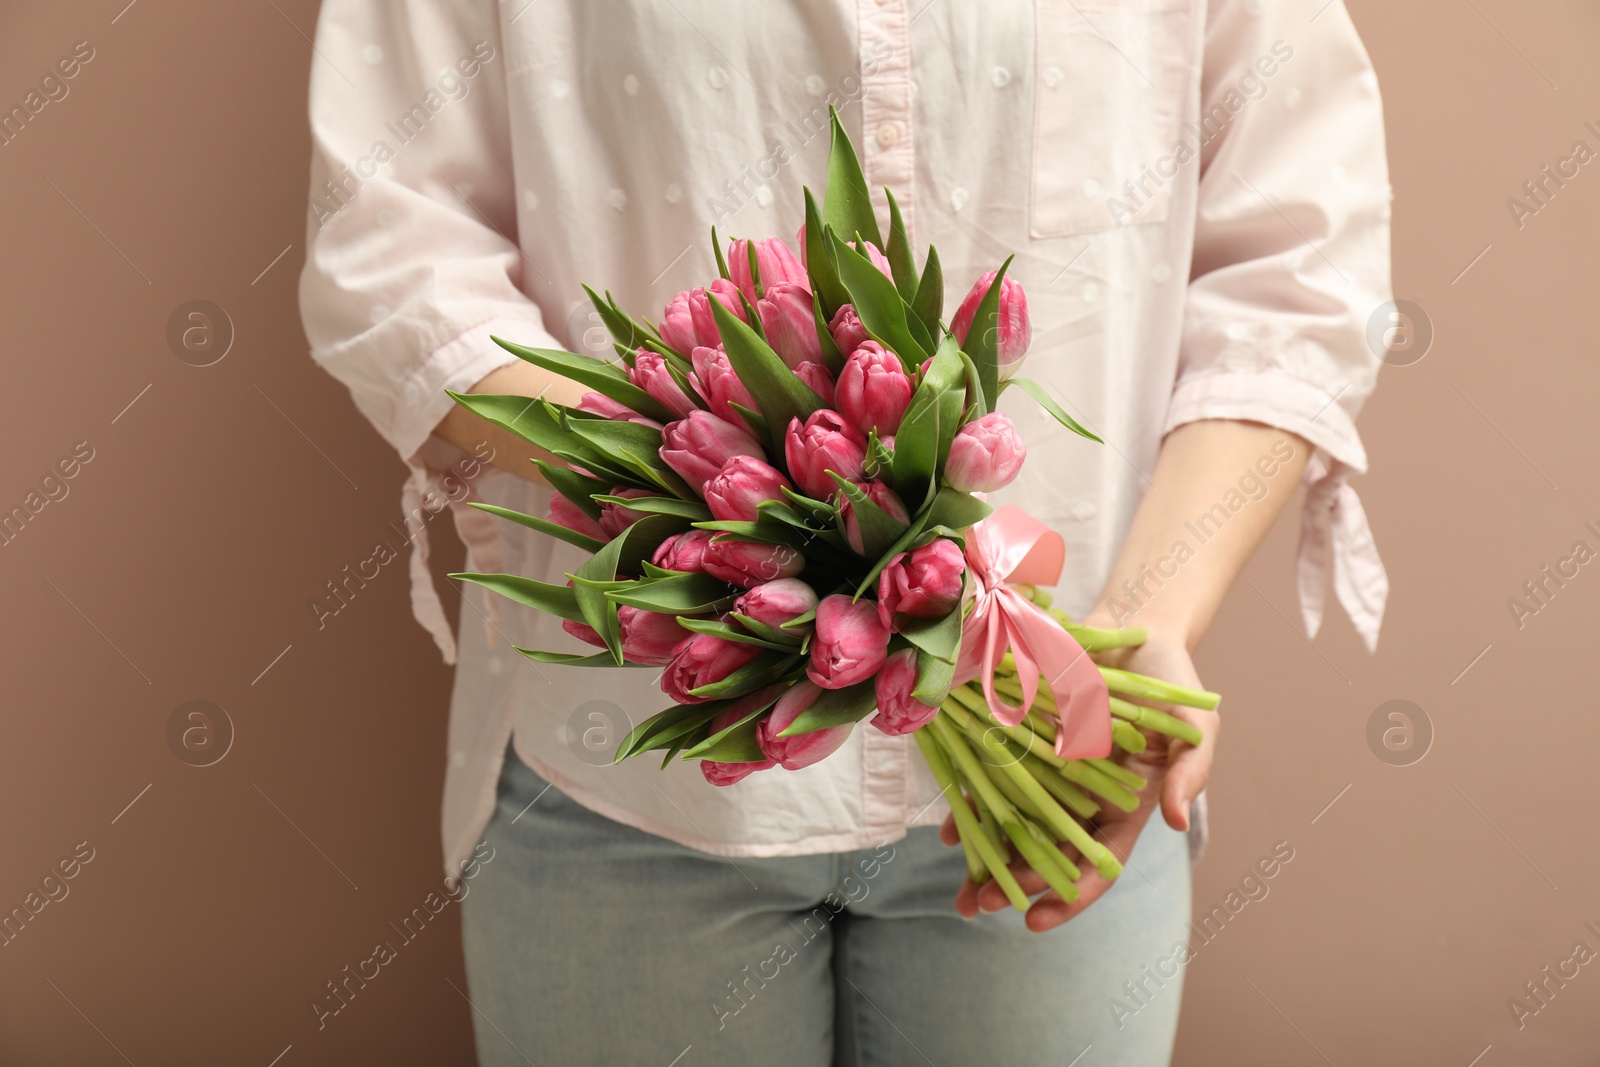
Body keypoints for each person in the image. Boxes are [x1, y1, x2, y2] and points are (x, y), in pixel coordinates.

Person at [299, 2, 1390, 1063]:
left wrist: (1144, 613)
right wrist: (713, 484)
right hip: (625, 772)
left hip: (1062, 753)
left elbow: (1298, 255)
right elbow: (394, 253)